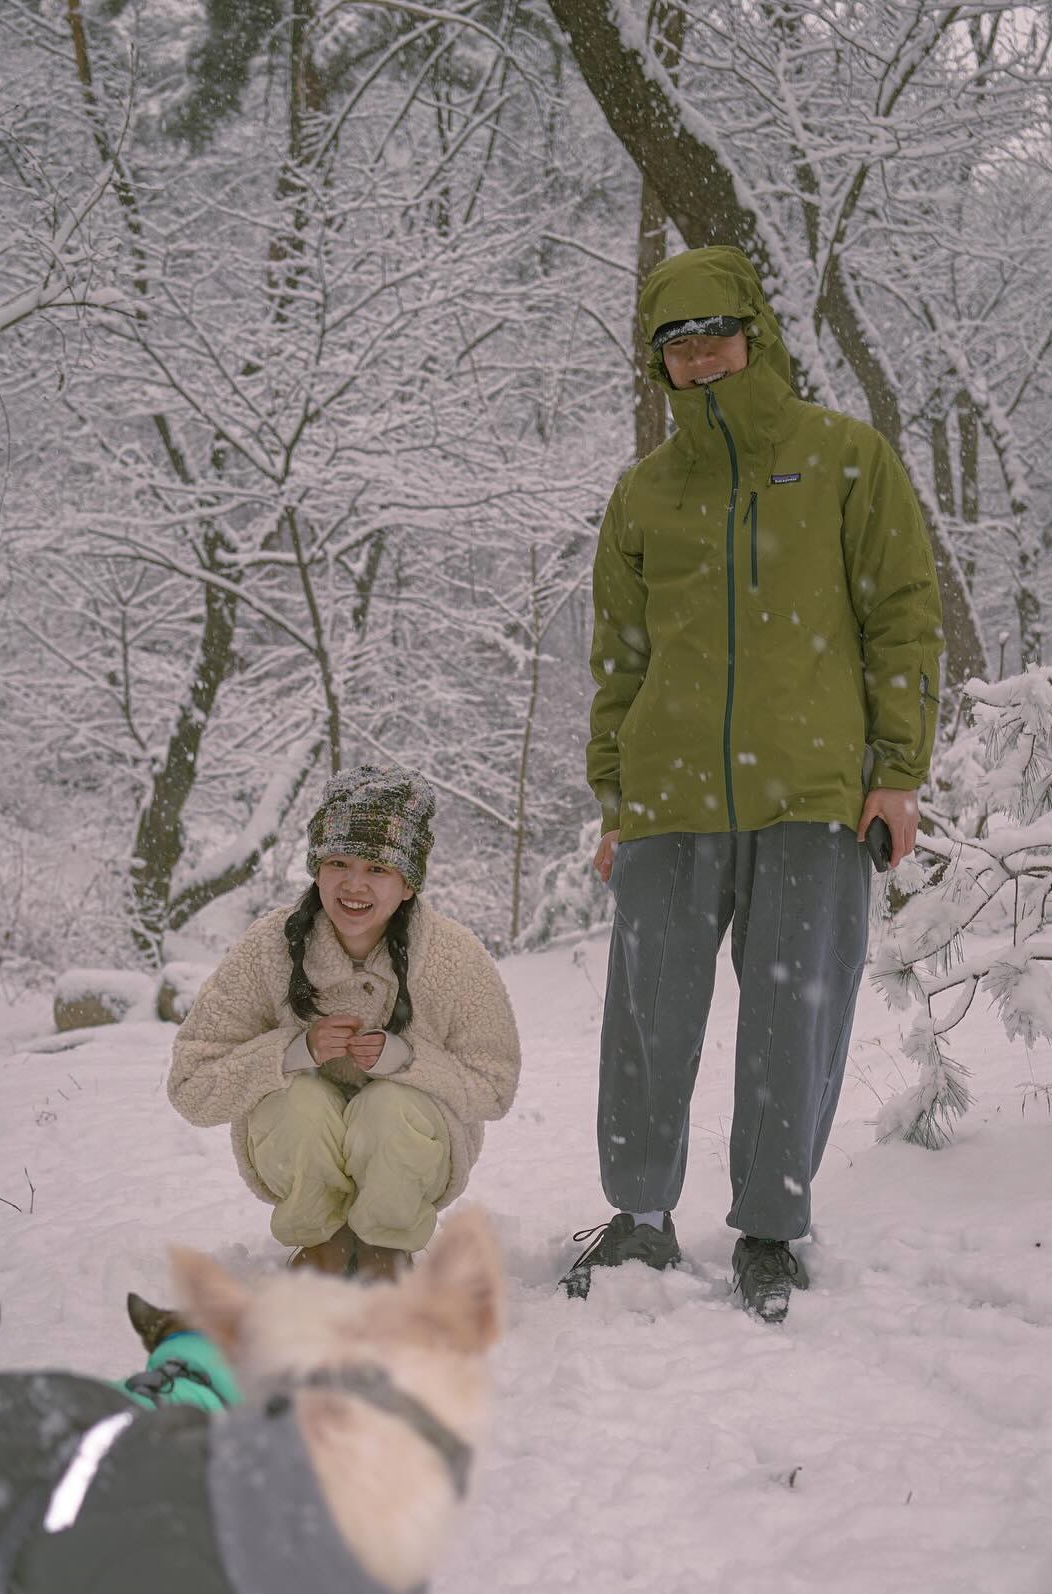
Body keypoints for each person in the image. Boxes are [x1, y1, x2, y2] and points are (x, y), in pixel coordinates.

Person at [562, 244, 942, 1321]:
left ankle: (769, 1234)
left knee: (792, 1016)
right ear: (659, 365)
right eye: (676, 347)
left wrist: (897, 773)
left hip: (811, 795)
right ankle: (639, 1216)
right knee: (647, 1016)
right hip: (670, 796)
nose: (700, 359)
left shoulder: (843, 458)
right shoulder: (646, 494)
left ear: (755, 335)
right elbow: (618, 658)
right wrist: (613, 796)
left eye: (715, 336)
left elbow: (904, 618)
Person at [169, 763, 521, 1280]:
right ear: (316, 868)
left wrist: (408, 1061)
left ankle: (388, 1245)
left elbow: (496, 1086)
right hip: (298, 1144)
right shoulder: (269, 947)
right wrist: (292, 1051)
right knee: (298, 1103)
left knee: (389, 1106)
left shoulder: (454, 957)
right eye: (338, 862)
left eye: (378, 868)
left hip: (419, 1152)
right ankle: (321, 1242)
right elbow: (190, 1085)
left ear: (408, 884)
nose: (354, 885)